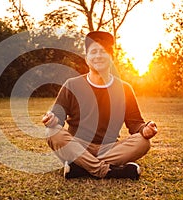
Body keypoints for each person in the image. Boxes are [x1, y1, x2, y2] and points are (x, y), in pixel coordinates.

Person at [42, 31, 158, 180]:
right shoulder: (72, 85)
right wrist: (51, 119)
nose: (98, 56)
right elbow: (57, 117)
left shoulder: (125, 89)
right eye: (94, 52)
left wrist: (145, 129)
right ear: (87, 59)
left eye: (103, 51)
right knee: (52, 132)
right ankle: (108, 171)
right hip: (78, 145)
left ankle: (82, 168)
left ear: (111, 57)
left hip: (109, 148)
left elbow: (135, 123)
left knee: (143, 143)